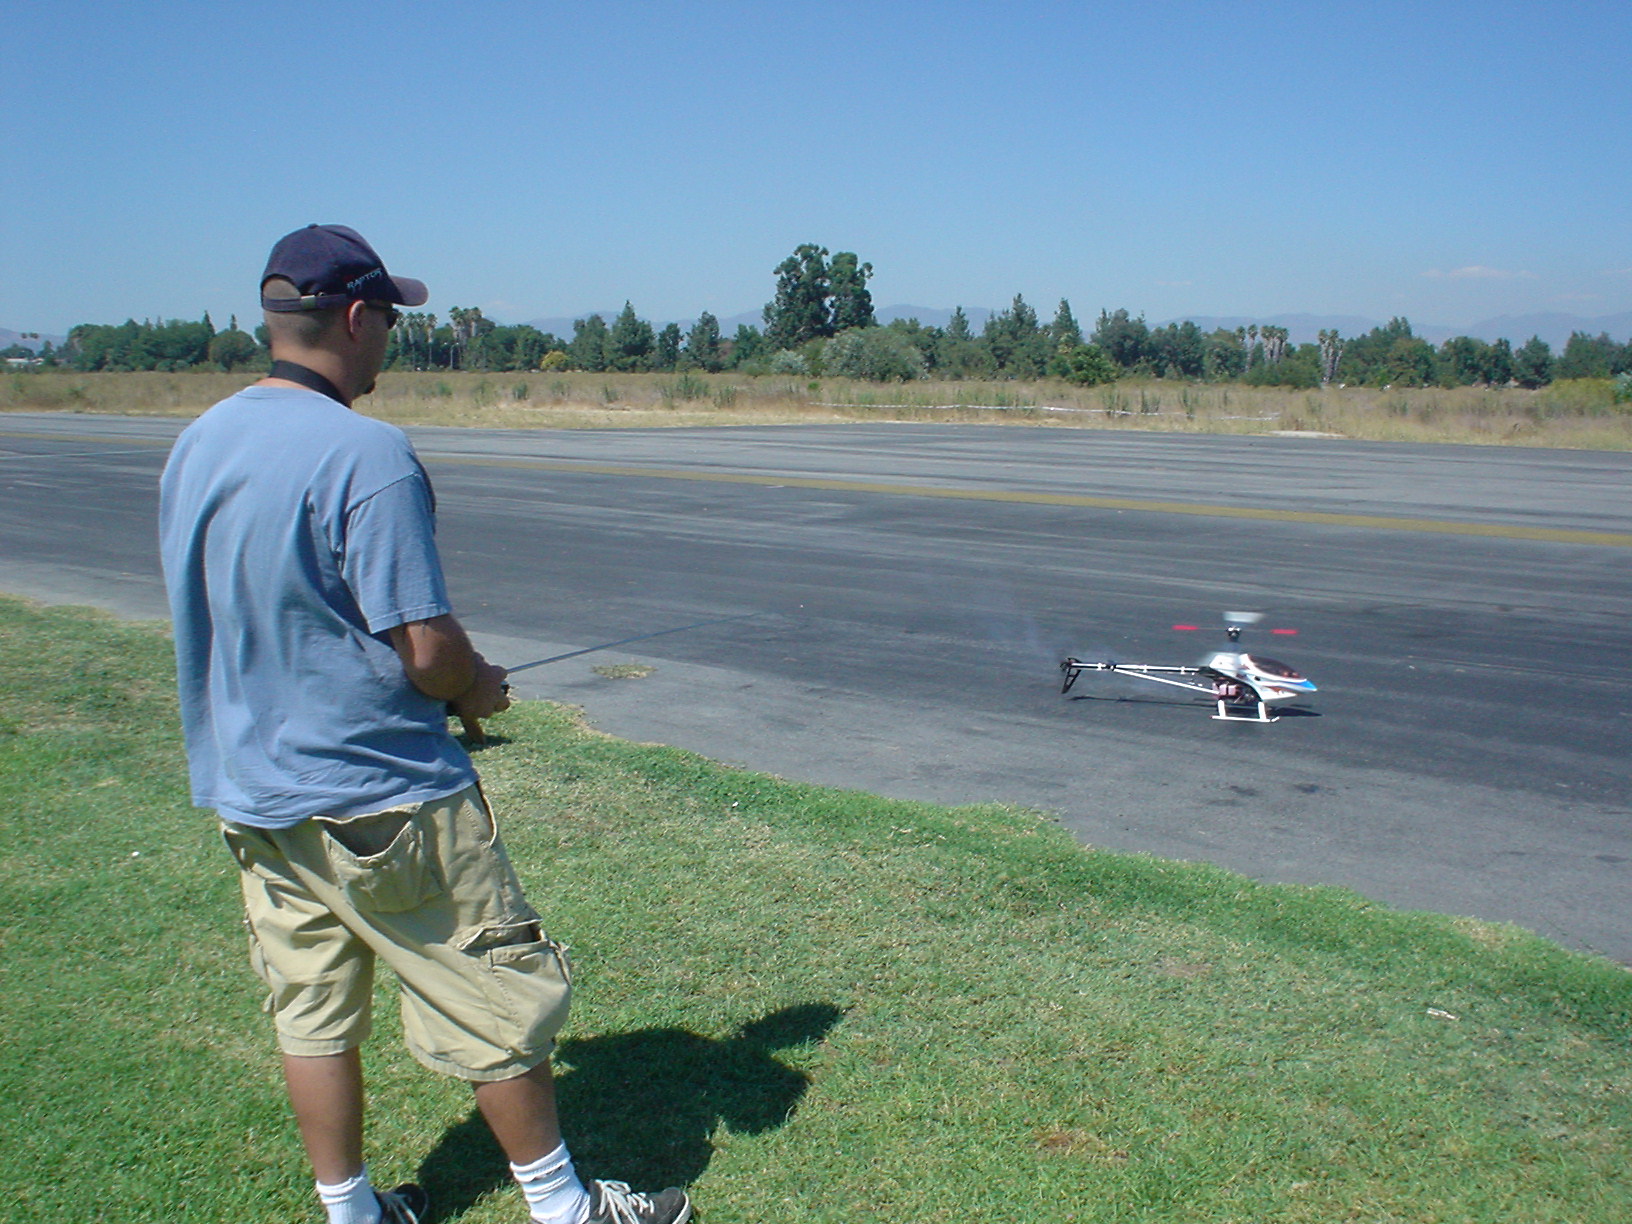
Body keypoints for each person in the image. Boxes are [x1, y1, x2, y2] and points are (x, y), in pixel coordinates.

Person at [159, 224, 691, 1224]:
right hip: (385, 796)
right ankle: (566, 1210)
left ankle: (352, 1213)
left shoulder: (201, 442)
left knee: (312, 1015)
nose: (390, 342)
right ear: (357, 319)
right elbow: (425, 646)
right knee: (496, 999)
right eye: (391, 322)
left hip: (256, 794)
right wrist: (474, 687)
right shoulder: (367, 455)